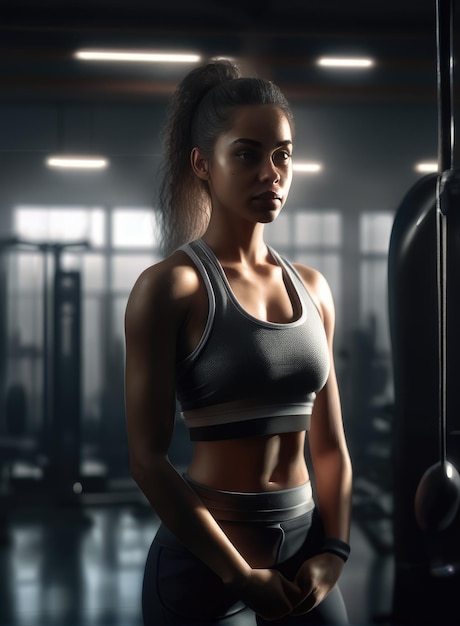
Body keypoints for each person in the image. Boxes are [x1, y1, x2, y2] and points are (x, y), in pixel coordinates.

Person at [125, 59, 353, 625]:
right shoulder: (171, 289)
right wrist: (238, 575)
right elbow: (148, 461)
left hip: (306, 558)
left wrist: (335, 550)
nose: (270, 173)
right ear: (202, 163)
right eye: (247, 154)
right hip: (206, 565)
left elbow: (329, 447)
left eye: (283, 155)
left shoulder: (315, 290)